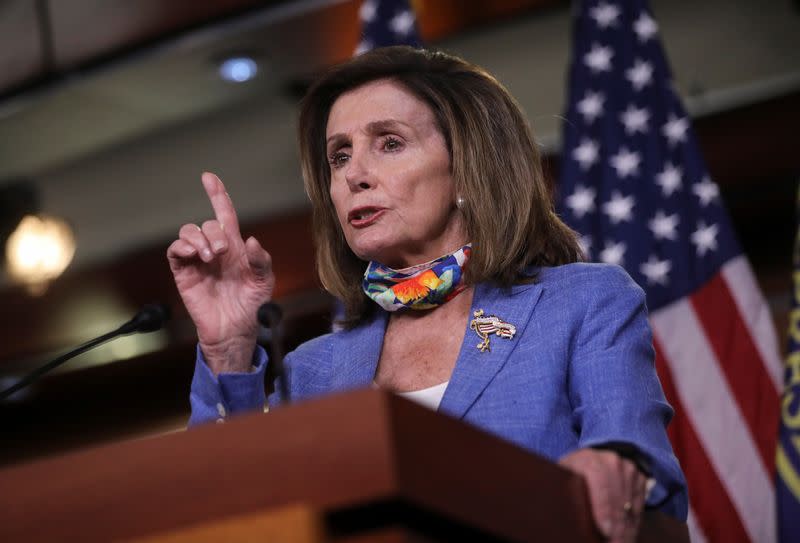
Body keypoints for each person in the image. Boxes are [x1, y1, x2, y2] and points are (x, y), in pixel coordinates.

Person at [167, 46, 688, 542]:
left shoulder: (582, 303)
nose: (355, 175)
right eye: (339, 156)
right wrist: (228, 348)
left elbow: (646, 475)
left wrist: (613, 469)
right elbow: (221, 514)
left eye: (389, 143)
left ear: (466, 166)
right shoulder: (311, 372)